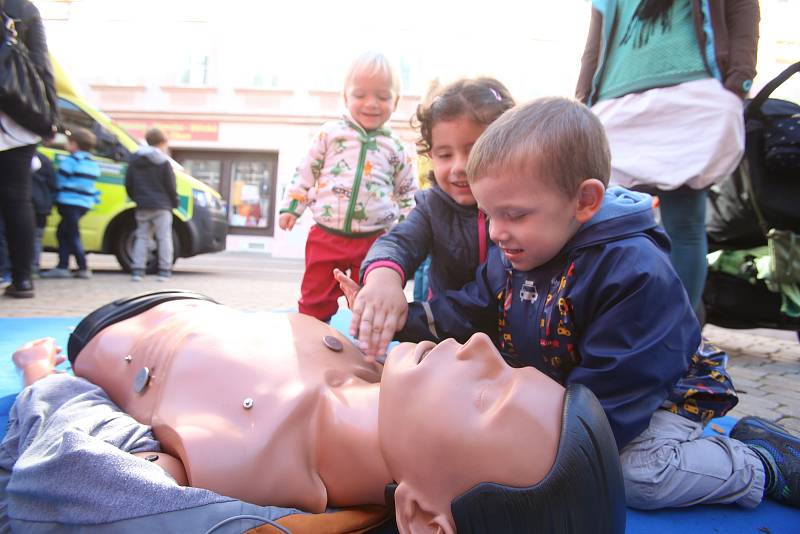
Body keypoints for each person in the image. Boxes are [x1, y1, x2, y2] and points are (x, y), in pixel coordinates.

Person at [337, 97, 800, 511]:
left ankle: (760, 462)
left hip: (661, 398)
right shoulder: (517, 253)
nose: (496, 232)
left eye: (513, 214)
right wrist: (402, 318)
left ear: (584, 201)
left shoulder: (630, 270)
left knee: (637, 477)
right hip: (579, 394)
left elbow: (619, 390)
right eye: (488, 214)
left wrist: (561, 459)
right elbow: (467, 310)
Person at [3, 290, 626, 533]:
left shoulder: (248, 474)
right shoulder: (377, 372)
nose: (484, 348)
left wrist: (44, 380)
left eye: (489, 397)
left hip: (103, 340)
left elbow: (66, 473)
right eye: (512, 366)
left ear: (424, 518)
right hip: (195, 303)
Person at [575, 0, 760, 311]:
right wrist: (583, 104)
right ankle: (611, 323)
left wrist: (739, 80)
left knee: (685, 221)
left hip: (692, 95)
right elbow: (594, 42)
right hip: (616, 103)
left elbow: (743, 9)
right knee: (606, 219)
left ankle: (678, 334)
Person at [350, 78, 514, 356]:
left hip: (510, 344)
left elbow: (485, 298)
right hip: (441, 339)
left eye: (474, 151)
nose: (459, 167)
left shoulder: (518, 208)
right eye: (444, 154)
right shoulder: (432, 206)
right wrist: (382, 279)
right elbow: (399, 241)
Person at [278, 51, 417, 323]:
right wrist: (292, 207)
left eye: (382, 96)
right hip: (326, 237)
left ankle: (370, 348)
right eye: (360, 95)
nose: (371, 104)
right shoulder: (330, 134)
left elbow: (407, 194)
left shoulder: (396, 148)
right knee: (315, 297)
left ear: (396, 101)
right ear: (345, 97)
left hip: (375, 241)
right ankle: (312, 338)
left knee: (371, 300)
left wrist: (409, 232)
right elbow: (306, 172)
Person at [0, 0, 57, 298]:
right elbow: (40, 63)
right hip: (16, 120)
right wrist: (51, 119)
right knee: (17, 201)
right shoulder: (21, 8)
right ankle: (23, 280)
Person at [41, 128, 100, 279]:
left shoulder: (71, 161)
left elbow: (59, 181)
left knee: (71, 234)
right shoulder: (92, 163)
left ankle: (82, 266)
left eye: (68, 142)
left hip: (69, 202)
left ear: (75, 144)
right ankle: (63, 265)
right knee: (64, 232)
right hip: (84, 203)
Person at [124, 128, 179, 282]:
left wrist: (137, 198)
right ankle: (164, 270)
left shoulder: (135, 160)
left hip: (142, 204)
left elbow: (129, 183)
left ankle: (137, 270)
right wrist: (174, 202)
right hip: (162, 206)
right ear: (162, 143)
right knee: (164, 238)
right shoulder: (163, 162)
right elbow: (170, 185)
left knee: (141, 236)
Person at [31, 151, 57, 276]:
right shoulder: (44, 159)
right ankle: (33, 267)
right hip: (41, 205)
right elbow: (53, 184)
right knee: (36, 238)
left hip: (26, 204)